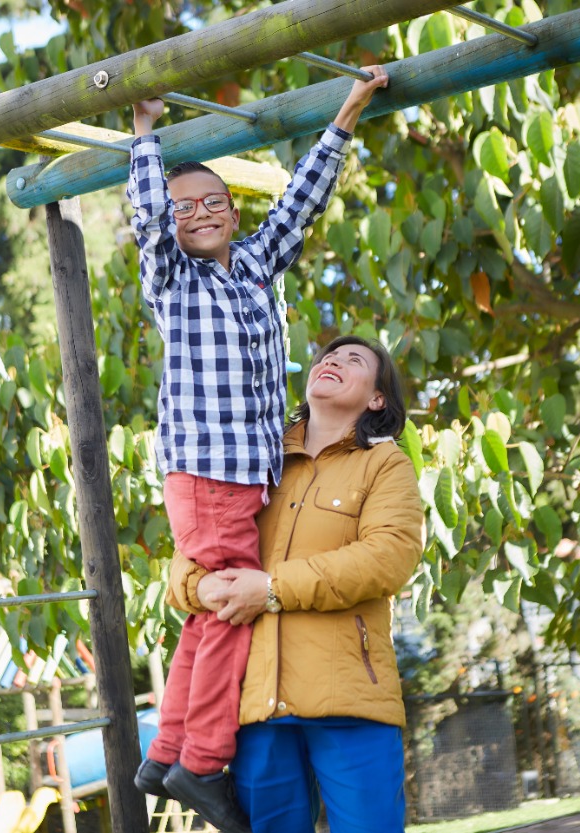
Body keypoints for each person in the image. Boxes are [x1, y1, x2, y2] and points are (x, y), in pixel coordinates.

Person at [127, 68, 390, 833]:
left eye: (214, 202)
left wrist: (343, 117)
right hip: (208, 470)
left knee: (207, 615)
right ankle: (202, 762)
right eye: (186, 208)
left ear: (235, 211)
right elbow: (149, 218)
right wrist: (145, 135)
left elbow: (303, 201)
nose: (200, 214)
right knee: (230, 610)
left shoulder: (255, 268)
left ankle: (166, 751)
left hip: (240, 474)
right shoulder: (172, 278)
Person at [167, 335, 425, 833]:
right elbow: (186, 559)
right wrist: (203, 590)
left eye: (354, 361)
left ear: (377, 399)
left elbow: (387, 557)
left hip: (351, 699)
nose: (333, 361)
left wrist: (268, 589)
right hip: (255, 705)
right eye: (329, 356)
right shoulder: (254, 459)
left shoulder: (386, 464)